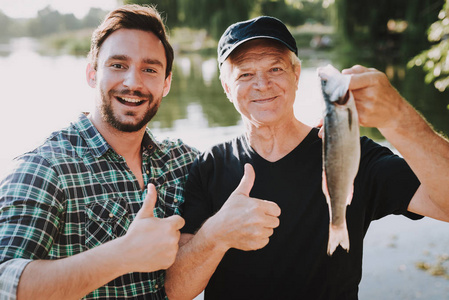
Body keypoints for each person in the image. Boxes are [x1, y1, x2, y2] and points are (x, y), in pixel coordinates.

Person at [165, 16, 449, 300]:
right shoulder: (209, 165)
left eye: (275, 68)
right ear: (227, 87)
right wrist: (216, 234)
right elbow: (176, 292)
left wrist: (398, 118)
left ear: (296, 74)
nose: (262, 84)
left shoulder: (350, 153)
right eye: (245, 74)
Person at [0, 5, 198, 300]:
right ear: (92, 74)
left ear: (166, 83)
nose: (133, 83)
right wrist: (123, 255)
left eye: (149, 69)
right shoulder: (46, 169)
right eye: (118, 65)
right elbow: (4, 281)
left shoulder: (183, 162)